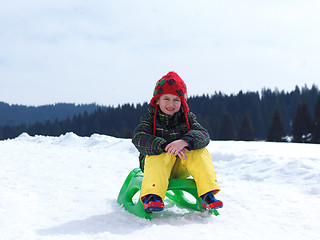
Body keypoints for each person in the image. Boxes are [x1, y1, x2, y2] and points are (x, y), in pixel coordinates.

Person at [132, 71, 223, 212]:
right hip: (156, 168)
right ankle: (153, 196)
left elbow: (203, 135)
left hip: (181, 165)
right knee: (159, 155)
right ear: (157, 100)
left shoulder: (187, 118)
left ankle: (207, 194)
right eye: (166, 99)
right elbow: (139, 137)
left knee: (200, 151)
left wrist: (184, 142)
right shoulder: (150, 118)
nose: (171, 104)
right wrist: (164, 146)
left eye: (176, 100)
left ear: (182, 102)